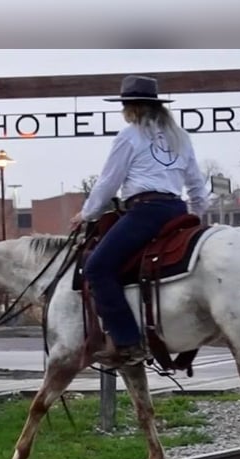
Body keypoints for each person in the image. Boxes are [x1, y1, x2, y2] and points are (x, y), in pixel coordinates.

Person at [69, 75, 210, 367]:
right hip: (178, 210)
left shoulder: (129, 135)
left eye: (125, 106)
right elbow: (196, 184)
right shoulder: (180, 136)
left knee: (97, 267)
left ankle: (127, 341)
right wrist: (196, 218)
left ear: (131, 107)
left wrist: (87, 214)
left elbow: (109, 182)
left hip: (146, 212)